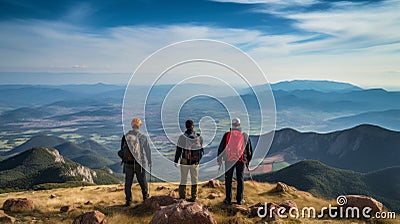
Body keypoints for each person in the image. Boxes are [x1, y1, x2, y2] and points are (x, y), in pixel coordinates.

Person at [217, 118, 252, 205]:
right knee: (240, 179)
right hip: (240, 160)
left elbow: (221, 148)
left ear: (232, 125)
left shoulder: (227, 135)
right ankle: (239, 199)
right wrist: (247, 160)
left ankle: (228, 199)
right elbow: (249, 150)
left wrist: (219, 160)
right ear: (239, 125)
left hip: (229, 159)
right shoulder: (244, 136)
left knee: (228, 179)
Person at [118, 117, 152, 206]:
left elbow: (121, 150)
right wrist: (149, 161)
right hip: (140, 163)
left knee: (128, 183)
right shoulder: (143, 137)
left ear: (132, 125)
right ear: (139, 126)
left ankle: (128, 201)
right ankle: (145, 199)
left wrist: (124, 159)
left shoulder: (125, 137)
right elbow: (147, 150)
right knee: (143, 182)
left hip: (128, 163)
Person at [174, 120, 204, 202]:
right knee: (194, 179)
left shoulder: (182, 137)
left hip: (184, 160)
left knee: (183, 179)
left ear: (186, 126)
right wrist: (198, 159)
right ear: (193, 126)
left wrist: (176, 160)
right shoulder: (198, 137)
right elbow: (202, 150)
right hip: (195, 162)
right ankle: (194, 197)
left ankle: (182, 197)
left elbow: (179, 150)